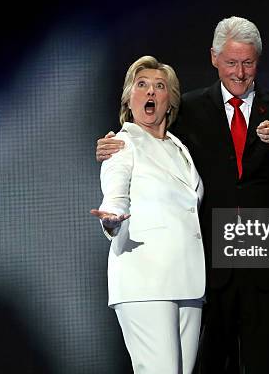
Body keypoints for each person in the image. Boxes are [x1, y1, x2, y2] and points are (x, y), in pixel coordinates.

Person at [96, 17, 269, 373]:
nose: (240, 73)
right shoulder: (190, 109)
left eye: (248, 63)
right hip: (207, 264)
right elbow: (139, 139)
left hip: (261, 258)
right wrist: (108, 151)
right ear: (214, 58)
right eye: (231, 62)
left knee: (263, 360)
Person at [90, 55, 205, 374]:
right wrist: (111, 218)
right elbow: (115, 192)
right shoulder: (121, 143)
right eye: (141, 85)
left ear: (170, 101)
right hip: (145, 279)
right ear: (129, 97)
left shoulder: (179, 148)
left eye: (159, 86)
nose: (150, 92)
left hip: (188, 280)